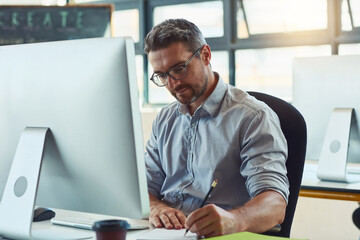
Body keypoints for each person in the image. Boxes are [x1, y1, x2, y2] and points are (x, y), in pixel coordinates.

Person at [144, 18, 289, 238]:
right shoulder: (164, 119)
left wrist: (235, 220)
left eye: (179, 69)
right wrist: (156, 207)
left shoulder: (253, 117)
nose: (173, 84)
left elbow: (275, 204)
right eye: (162, 76)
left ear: (205, 55)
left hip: (224, 235)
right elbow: (143, 189)